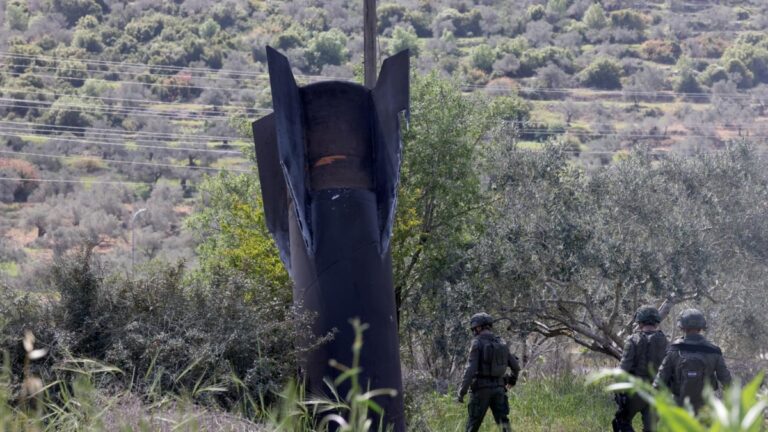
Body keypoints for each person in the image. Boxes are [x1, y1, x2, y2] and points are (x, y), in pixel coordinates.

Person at [653, 308, 732, 412]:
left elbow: (660, 379)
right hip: (705, 406)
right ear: (701, 327)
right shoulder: (714, 351)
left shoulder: (674, 350)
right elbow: (725, 379)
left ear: (681, 327)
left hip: (678, 405)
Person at [456, 312, 520, 432]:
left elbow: (470, 370)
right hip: (499, 389)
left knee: (472, 425)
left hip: (481, 390)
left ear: (478, 328)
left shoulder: (477, 343)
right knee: (504, 426)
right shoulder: (501, 342)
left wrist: (461, 392)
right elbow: (515, 366)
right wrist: (512, 380)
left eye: (474, 328)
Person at [612, 306, 668, 432]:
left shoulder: (633, 340)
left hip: (635, 391)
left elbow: (623, 369)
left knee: (621, 422)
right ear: (656, 322)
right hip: (655, 392)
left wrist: (618, 391)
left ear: (640, 322)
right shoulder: (665, 341)